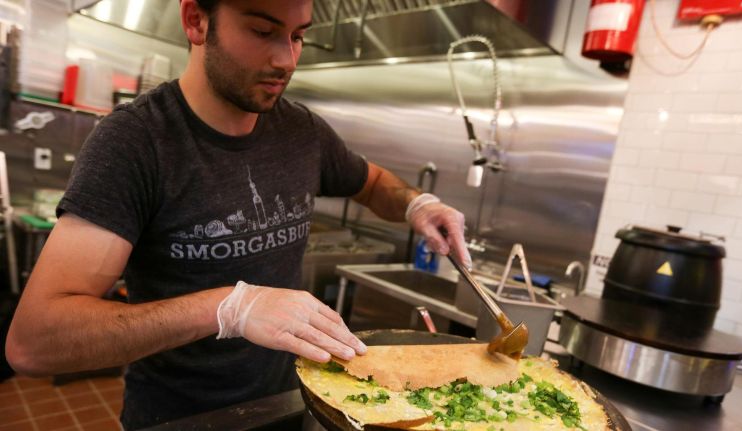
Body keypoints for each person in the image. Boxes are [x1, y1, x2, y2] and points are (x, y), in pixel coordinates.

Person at [5, 0, 471, 429]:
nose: (287, 59)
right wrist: (227, 307)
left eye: (297, 36)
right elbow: (35, 341)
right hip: (181, 420)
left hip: (288, 405)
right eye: (263, 31)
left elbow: (369, 183)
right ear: (196, 21)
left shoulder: (301, 131)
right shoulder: (136, 143)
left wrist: (417, 204)